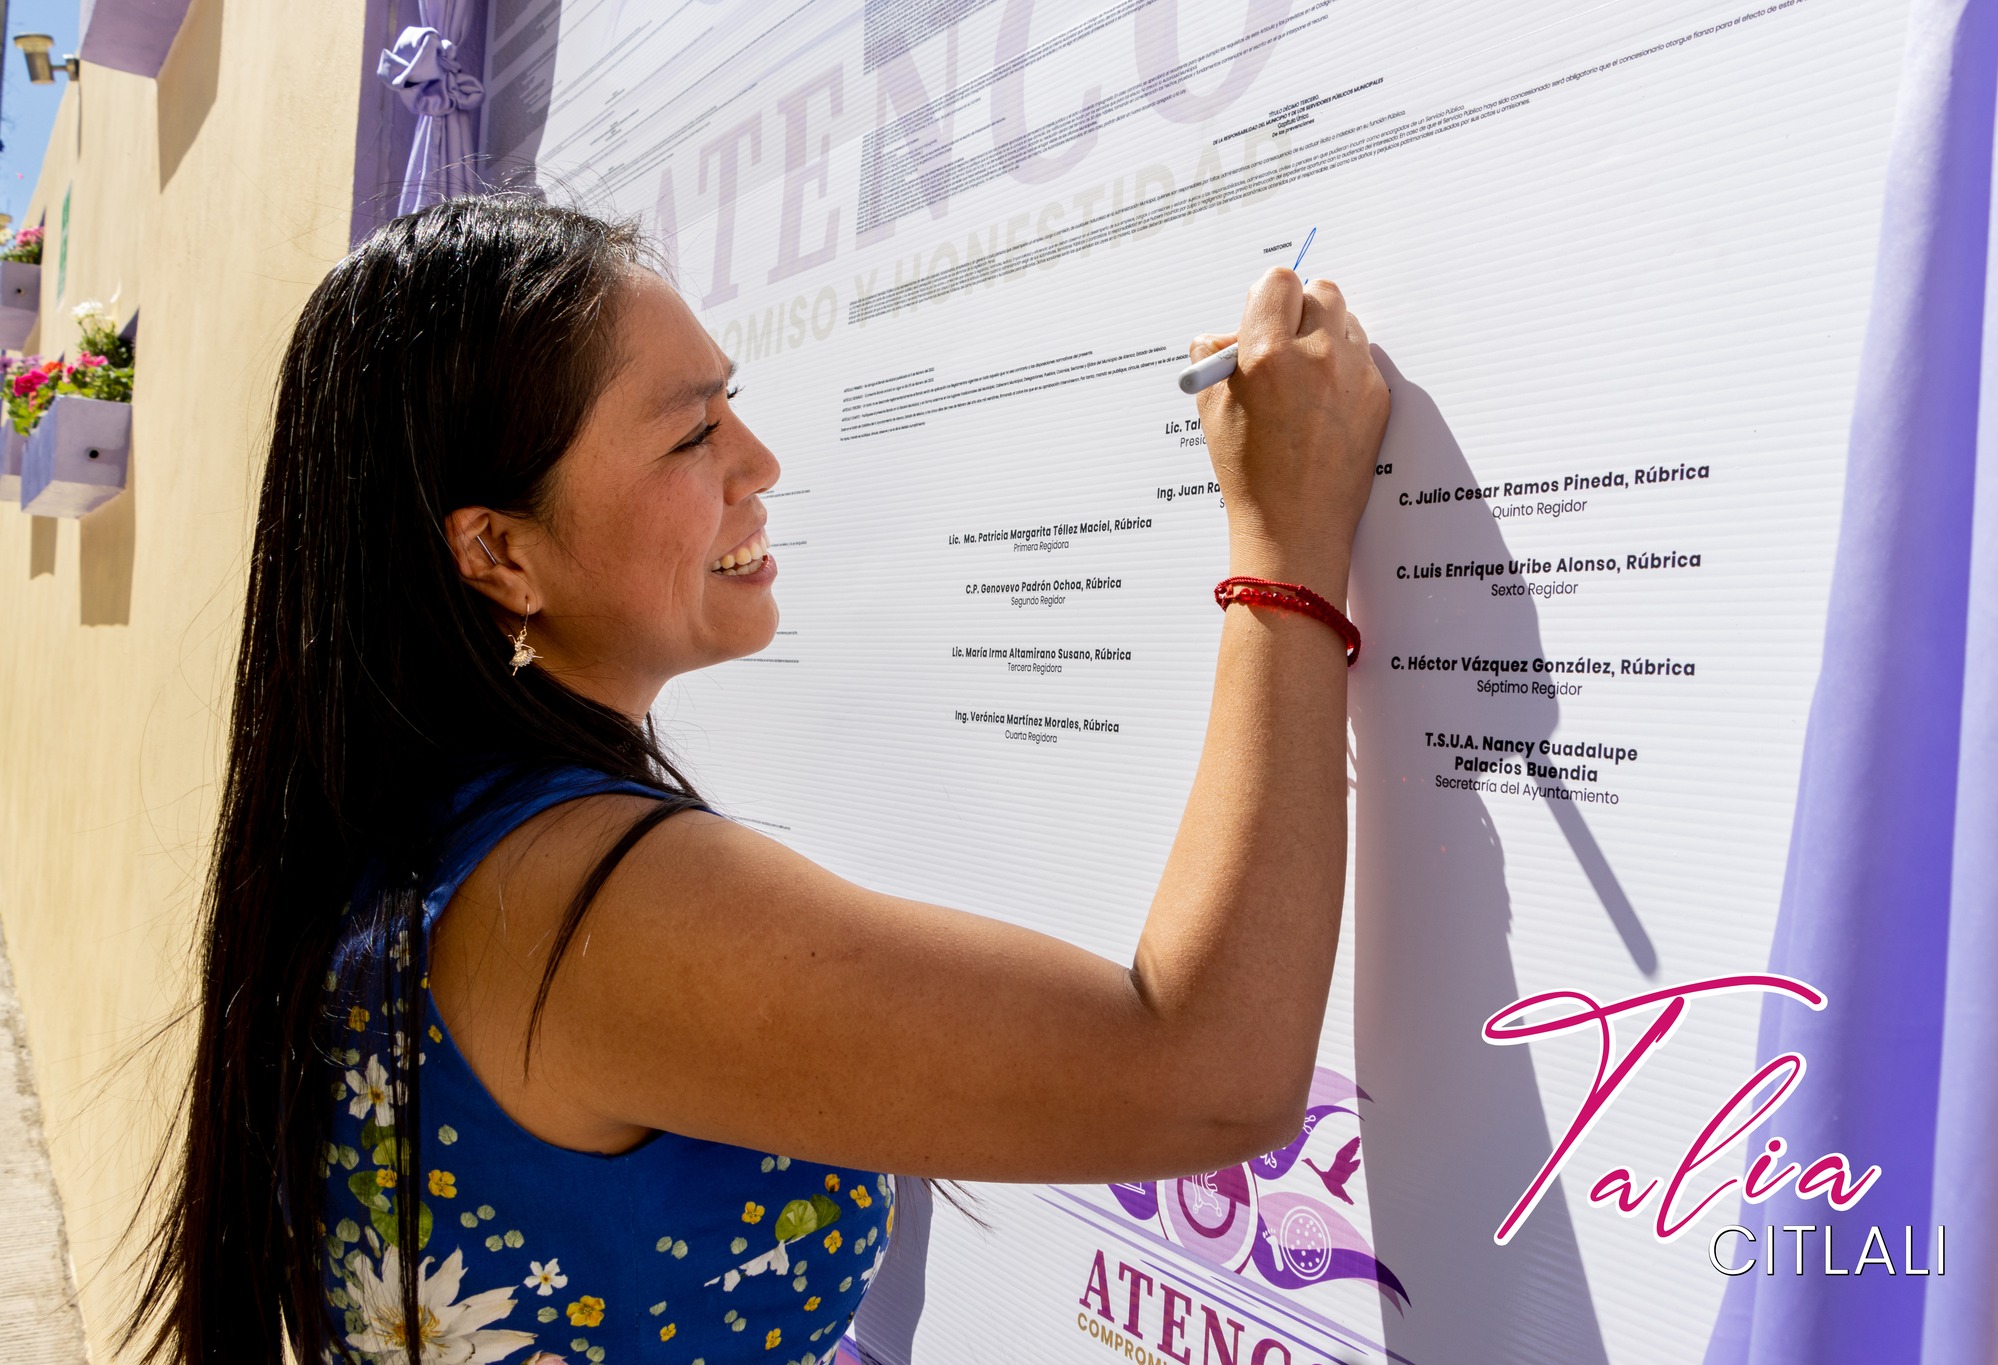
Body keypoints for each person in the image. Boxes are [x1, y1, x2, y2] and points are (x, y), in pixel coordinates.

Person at [130, 196, 1389, 1364]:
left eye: (731, 405)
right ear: (501, 554)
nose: (762, 462)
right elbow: (1207, 1082)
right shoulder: (591, 906)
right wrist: (1282, 545)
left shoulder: (420, 841)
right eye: (693, 432)